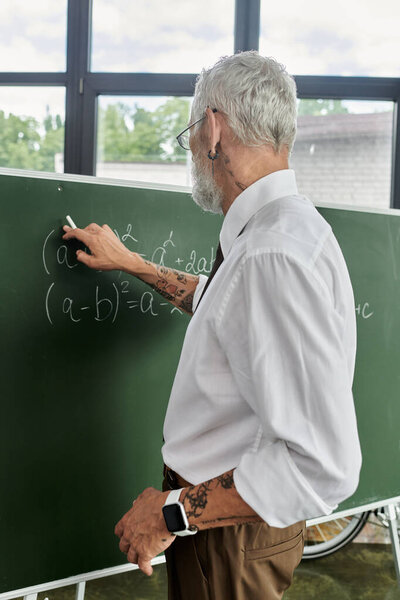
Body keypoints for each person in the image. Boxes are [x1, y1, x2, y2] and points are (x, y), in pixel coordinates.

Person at [62, 51, 362, 599]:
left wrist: (171, 514)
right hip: (234, 523)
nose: (194, 149)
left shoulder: (272, 254)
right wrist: (134, 264)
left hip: (229, 535)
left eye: (192, 132)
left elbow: (322, 466)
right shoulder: (282, 231)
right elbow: (222, 305)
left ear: (215, 130)